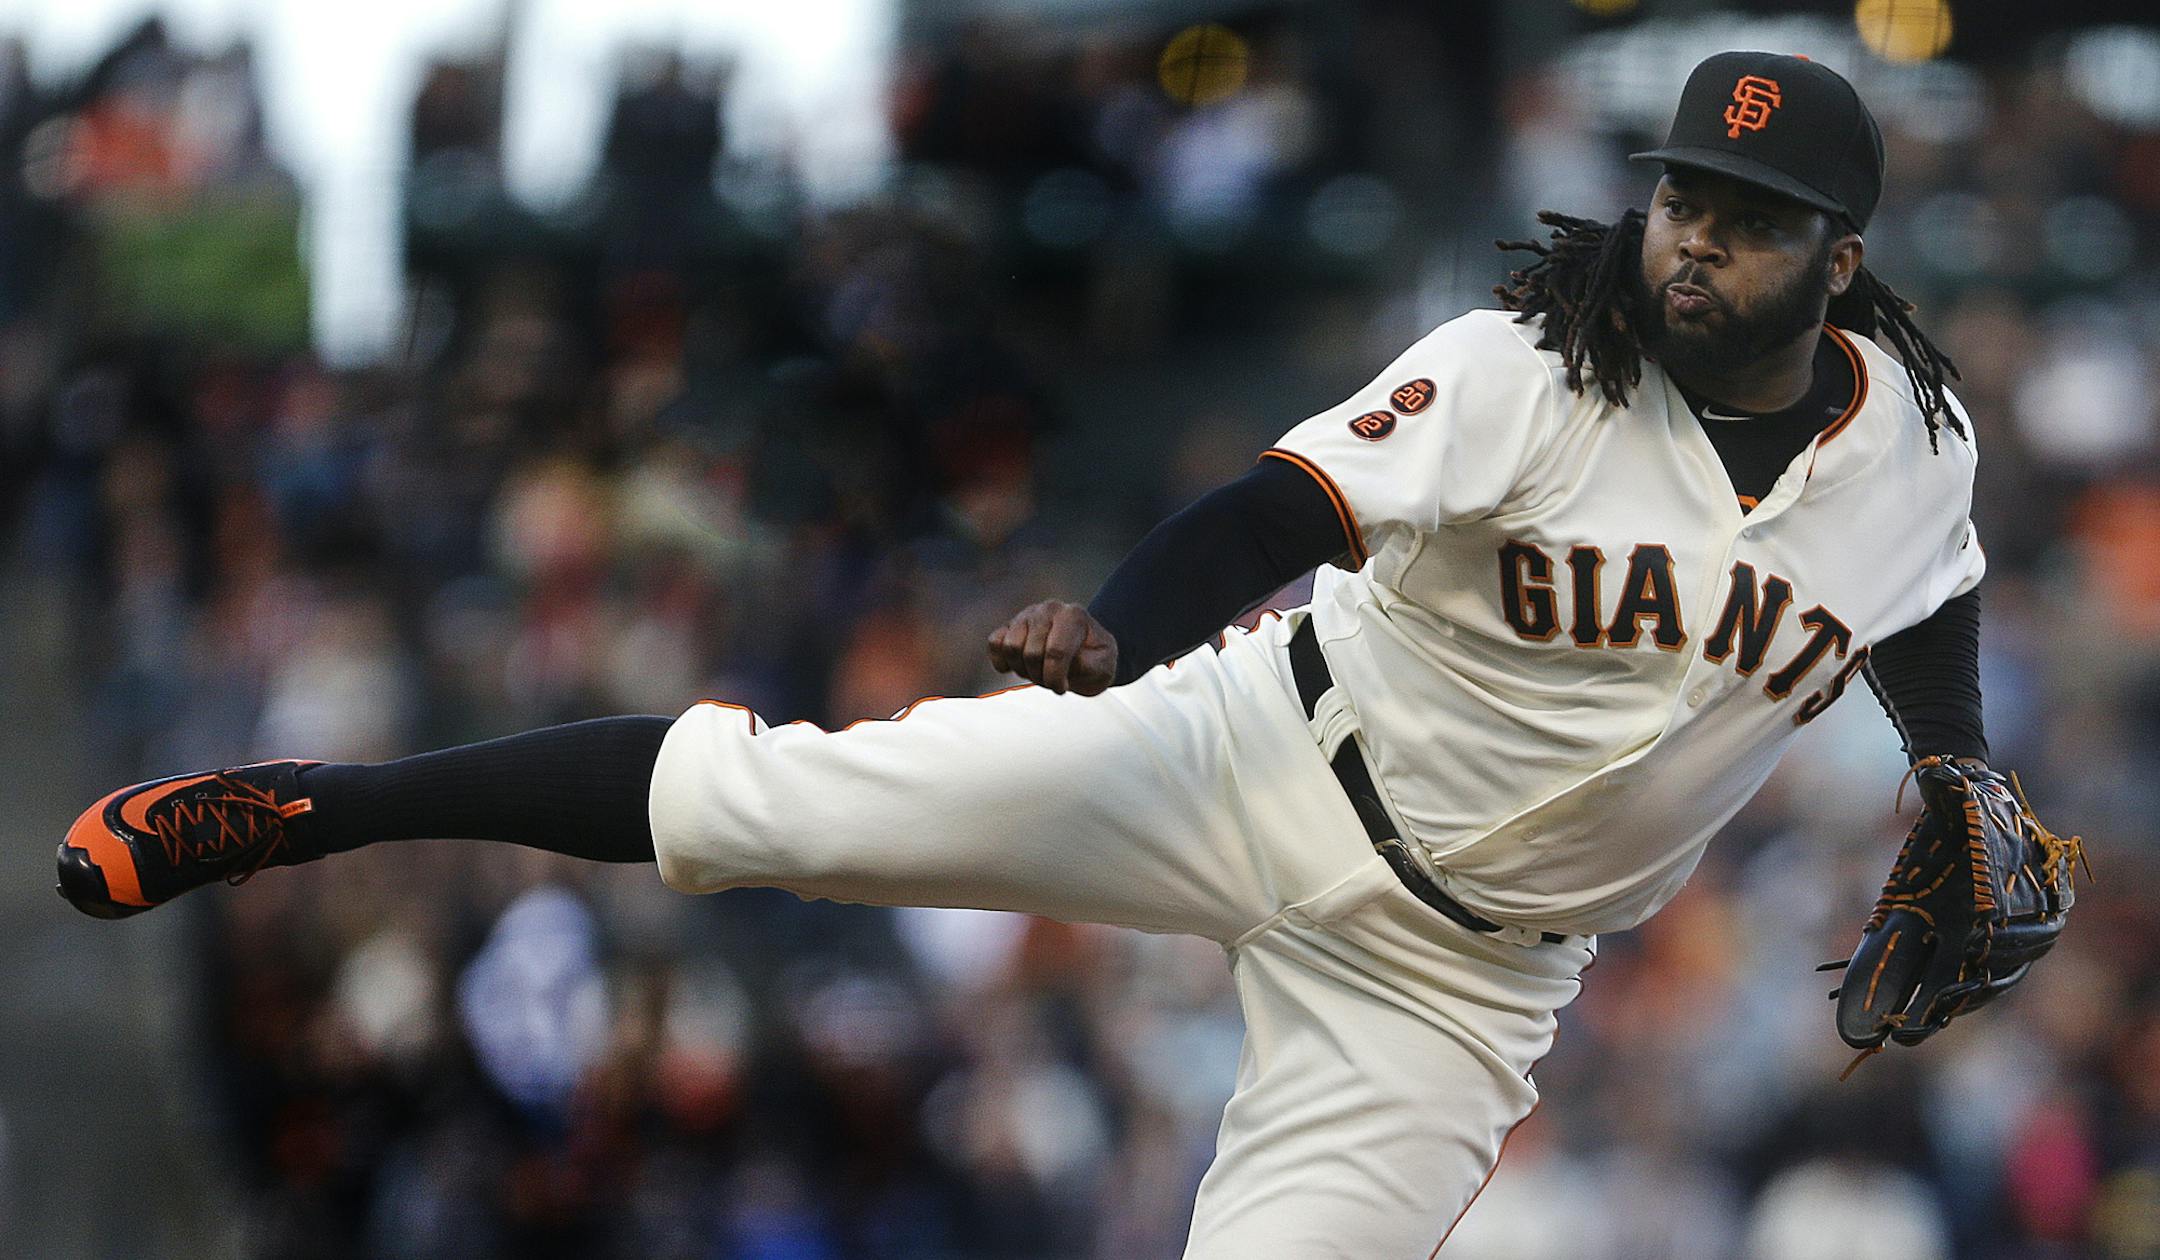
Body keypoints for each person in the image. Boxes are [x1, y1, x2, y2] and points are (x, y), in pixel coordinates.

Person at [58, 52, 2004, 1256]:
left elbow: (1930, 596)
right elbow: (1272, 513)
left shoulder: (1914, 451)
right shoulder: (1534, 367)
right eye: (1683, 196)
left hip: (1457, 985)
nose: (1694, 242)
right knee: (774, 803)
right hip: (1248, 753)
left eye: (1752, 223)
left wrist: (1962, 775)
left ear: (1840, 262)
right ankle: (298, 810)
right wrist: (1121, 629)